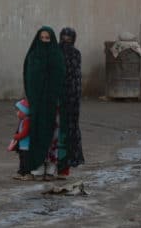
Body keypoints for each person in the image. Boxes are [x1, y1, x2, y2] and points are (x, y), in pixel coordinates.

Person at [23, 26, 68, 180]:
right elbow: (28, 79)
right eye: (41, 38)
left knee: (53, 135)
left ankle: (51, 167)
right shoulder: (33, 56)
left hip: (53, 103)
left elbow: (61, 78)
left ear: (52, 39)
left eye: (47, 38)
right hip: (37, 103)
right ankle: (37, 165)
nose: (44, 41)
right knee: (37, 133)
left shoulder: (57, 56)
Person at [58, 27, 85, 178]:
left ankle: (64, 165)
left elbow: (75, 78)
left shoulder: (75, 54)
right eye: (64, 38)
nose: (66, 41)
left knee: (67, 131)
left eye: (69, 38)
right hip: (59, 98)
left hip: (70, 99)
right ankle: (55, 164)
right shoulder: (55, 52)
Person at [10, 98, 33, 181]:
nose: (17, 113)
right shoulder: (22, 121)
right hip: (23, 145)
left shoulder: (27, 121)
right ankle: (21, 172)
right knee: (22, 158)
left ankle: (27, 173)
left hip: (26, 145)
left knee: (26, 159)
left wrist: (17, 137)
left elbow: (24, 133)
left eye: (19, 110)